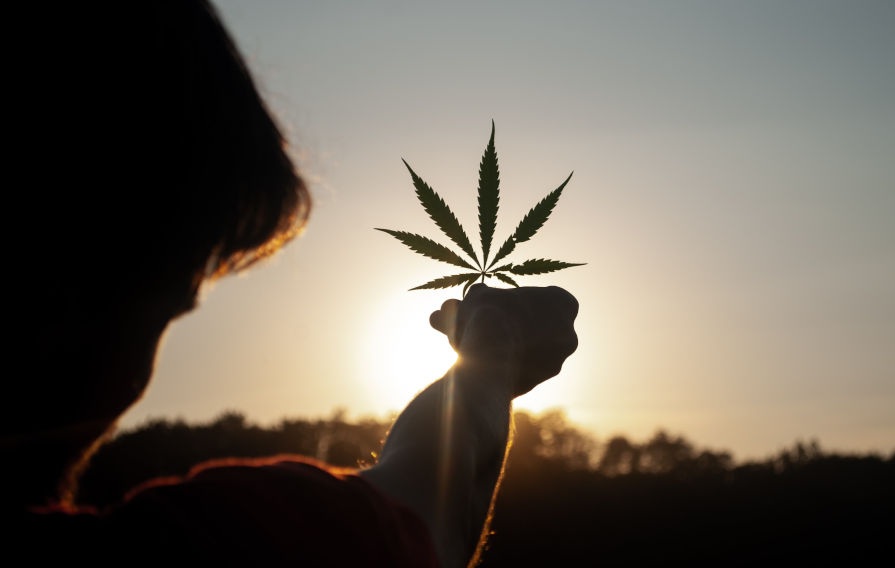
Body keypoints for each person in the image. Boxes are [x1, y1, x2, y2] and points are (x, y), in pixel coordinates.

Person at [4, 2, 579, 567]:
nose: (137, 379)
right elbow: (432, 509)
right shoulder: (212, 546)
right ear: (64, 306)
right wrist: (489, 360)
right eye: (164, 308)